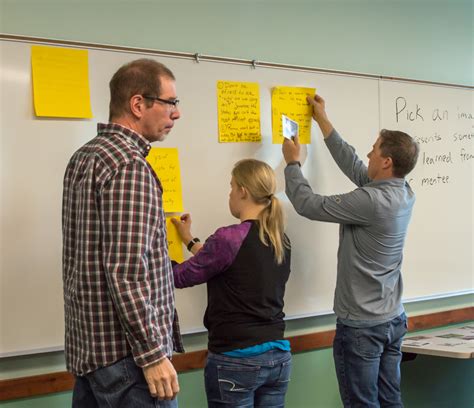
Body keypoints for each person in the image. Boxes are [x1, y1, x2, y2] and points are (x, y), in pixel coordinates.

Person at [282, 94, 419, 408]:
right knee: (389, 400)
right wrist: (323, 121)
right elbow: (358, 168)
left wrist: (292, 164)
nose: (368, 153)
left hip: (362, 328)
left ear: (386, 162)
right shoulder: (403, 192)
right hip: (392, 320)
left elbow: (307, 204)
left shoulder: (370, 202)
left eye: (374, 149)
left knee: (361, 404)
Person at [62, 58, 184, 408]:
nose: (176, 114)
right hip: (129, 362)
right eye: (170, 103)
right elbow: (126, 272)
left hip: (92, 355)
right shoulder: (130, 166)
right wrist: (153, 355)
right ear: (137, 104)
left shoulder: (84, 157)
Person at [171, 159, 292, 408]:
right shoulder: (280, 239)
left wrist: (159, 255)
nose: (230, 193)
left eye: (231, 186)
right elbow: (226, 263)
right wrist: (189, 240)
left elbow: (179, 277)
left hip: (236, 359)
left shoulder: (229, 238)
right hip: (277, 358)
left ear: (243, 191)